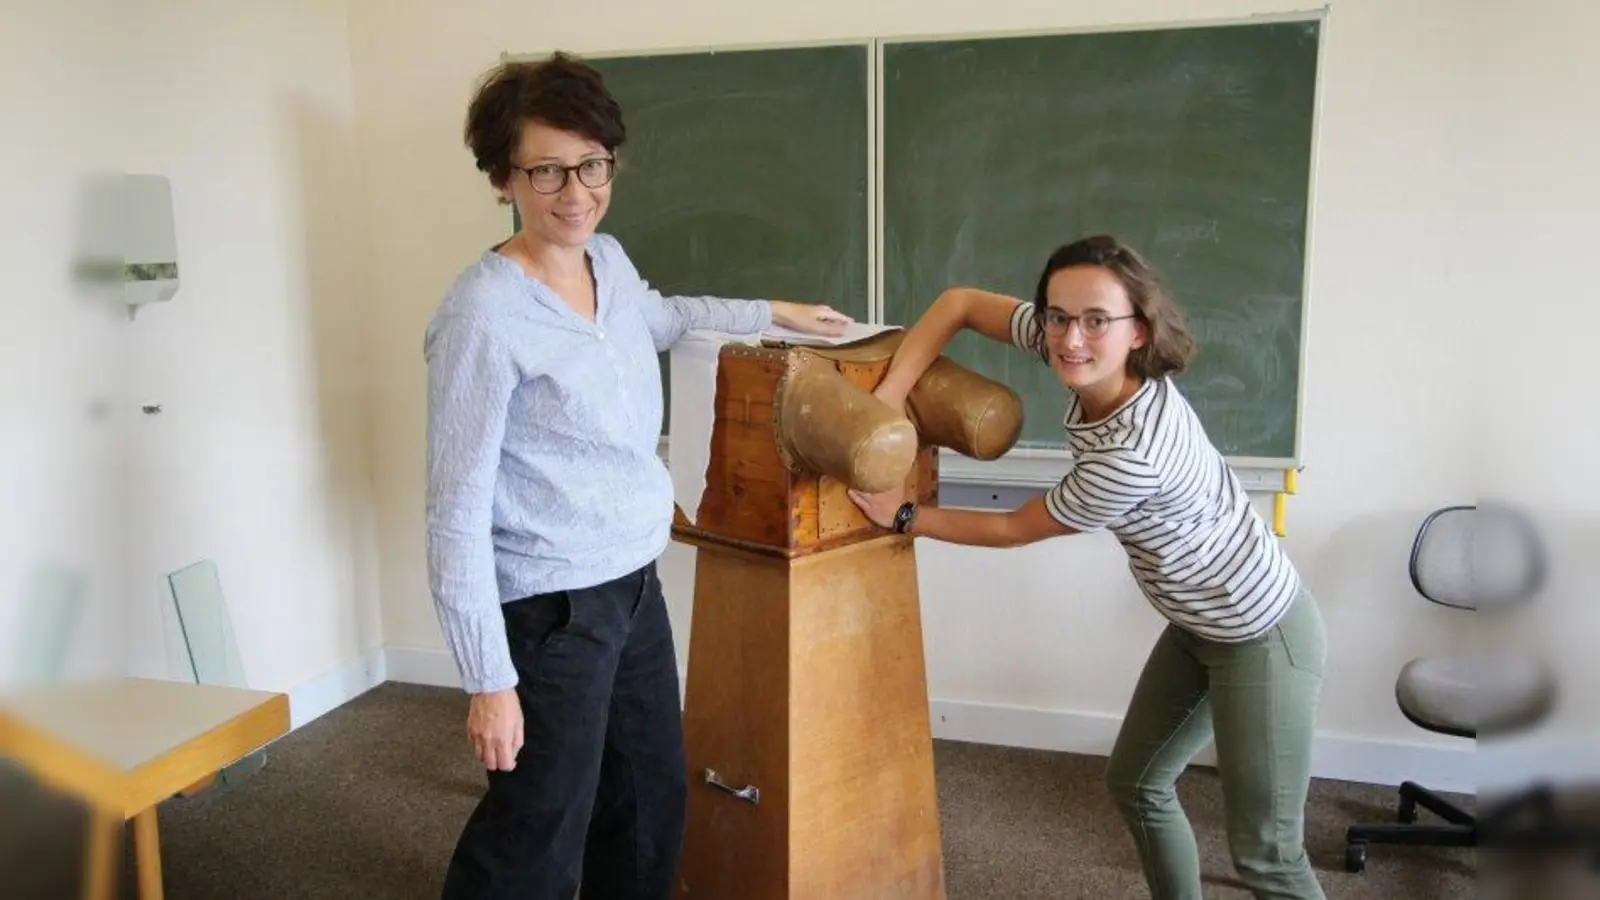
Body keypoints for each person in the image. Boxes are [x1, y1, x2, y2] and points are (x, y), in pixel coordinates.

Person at [423, 53, 851, 900]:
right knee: (538, 828)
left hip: (631, 587)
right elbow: (453, 512)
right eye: (547, 169)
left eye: (592, 165)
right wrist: (488, 682)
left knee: (649, 808)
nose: (575, 190)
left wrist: (770, 312)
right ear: (502, 176)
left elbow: (665, 318)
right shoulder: (482, 316)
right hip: (549, 610)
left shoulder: (607, 263)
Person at [849, 235, 1327, 900]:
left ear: (1139, 330)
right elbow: (958, 303)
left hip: (1262, 636)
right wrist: (891, 395)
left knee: (1268, 855)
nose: (1072, 339)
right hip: (1197, 627)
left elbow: (1016, 526)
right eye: (1057, 315)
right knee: (1137, 782)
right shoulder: (1067, 339)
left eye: (1097, 320)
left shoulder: (1132, 454)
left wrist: (904, 517)